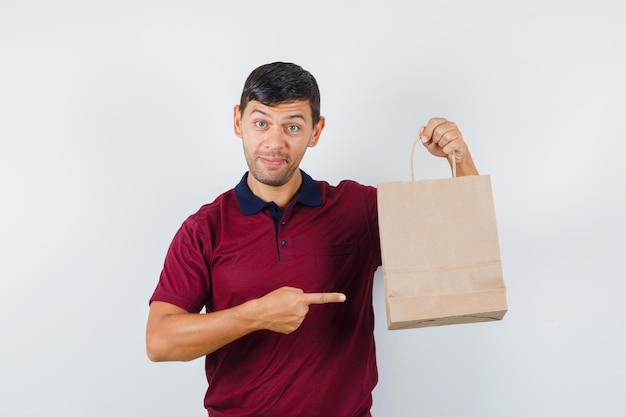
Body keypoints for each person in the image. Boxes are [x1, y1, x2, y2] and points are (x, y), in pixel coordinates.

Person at [146, 62, 478, 416]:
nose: (274, 143)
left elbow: (465, 241)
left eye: (292, 126)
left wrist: (460, 161)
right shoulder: (204, 228)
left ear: (316, 131)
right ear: (237, 122)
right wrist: (256, 315)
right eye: (261, 123)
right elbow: (160, 341)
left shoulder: (356, 208)